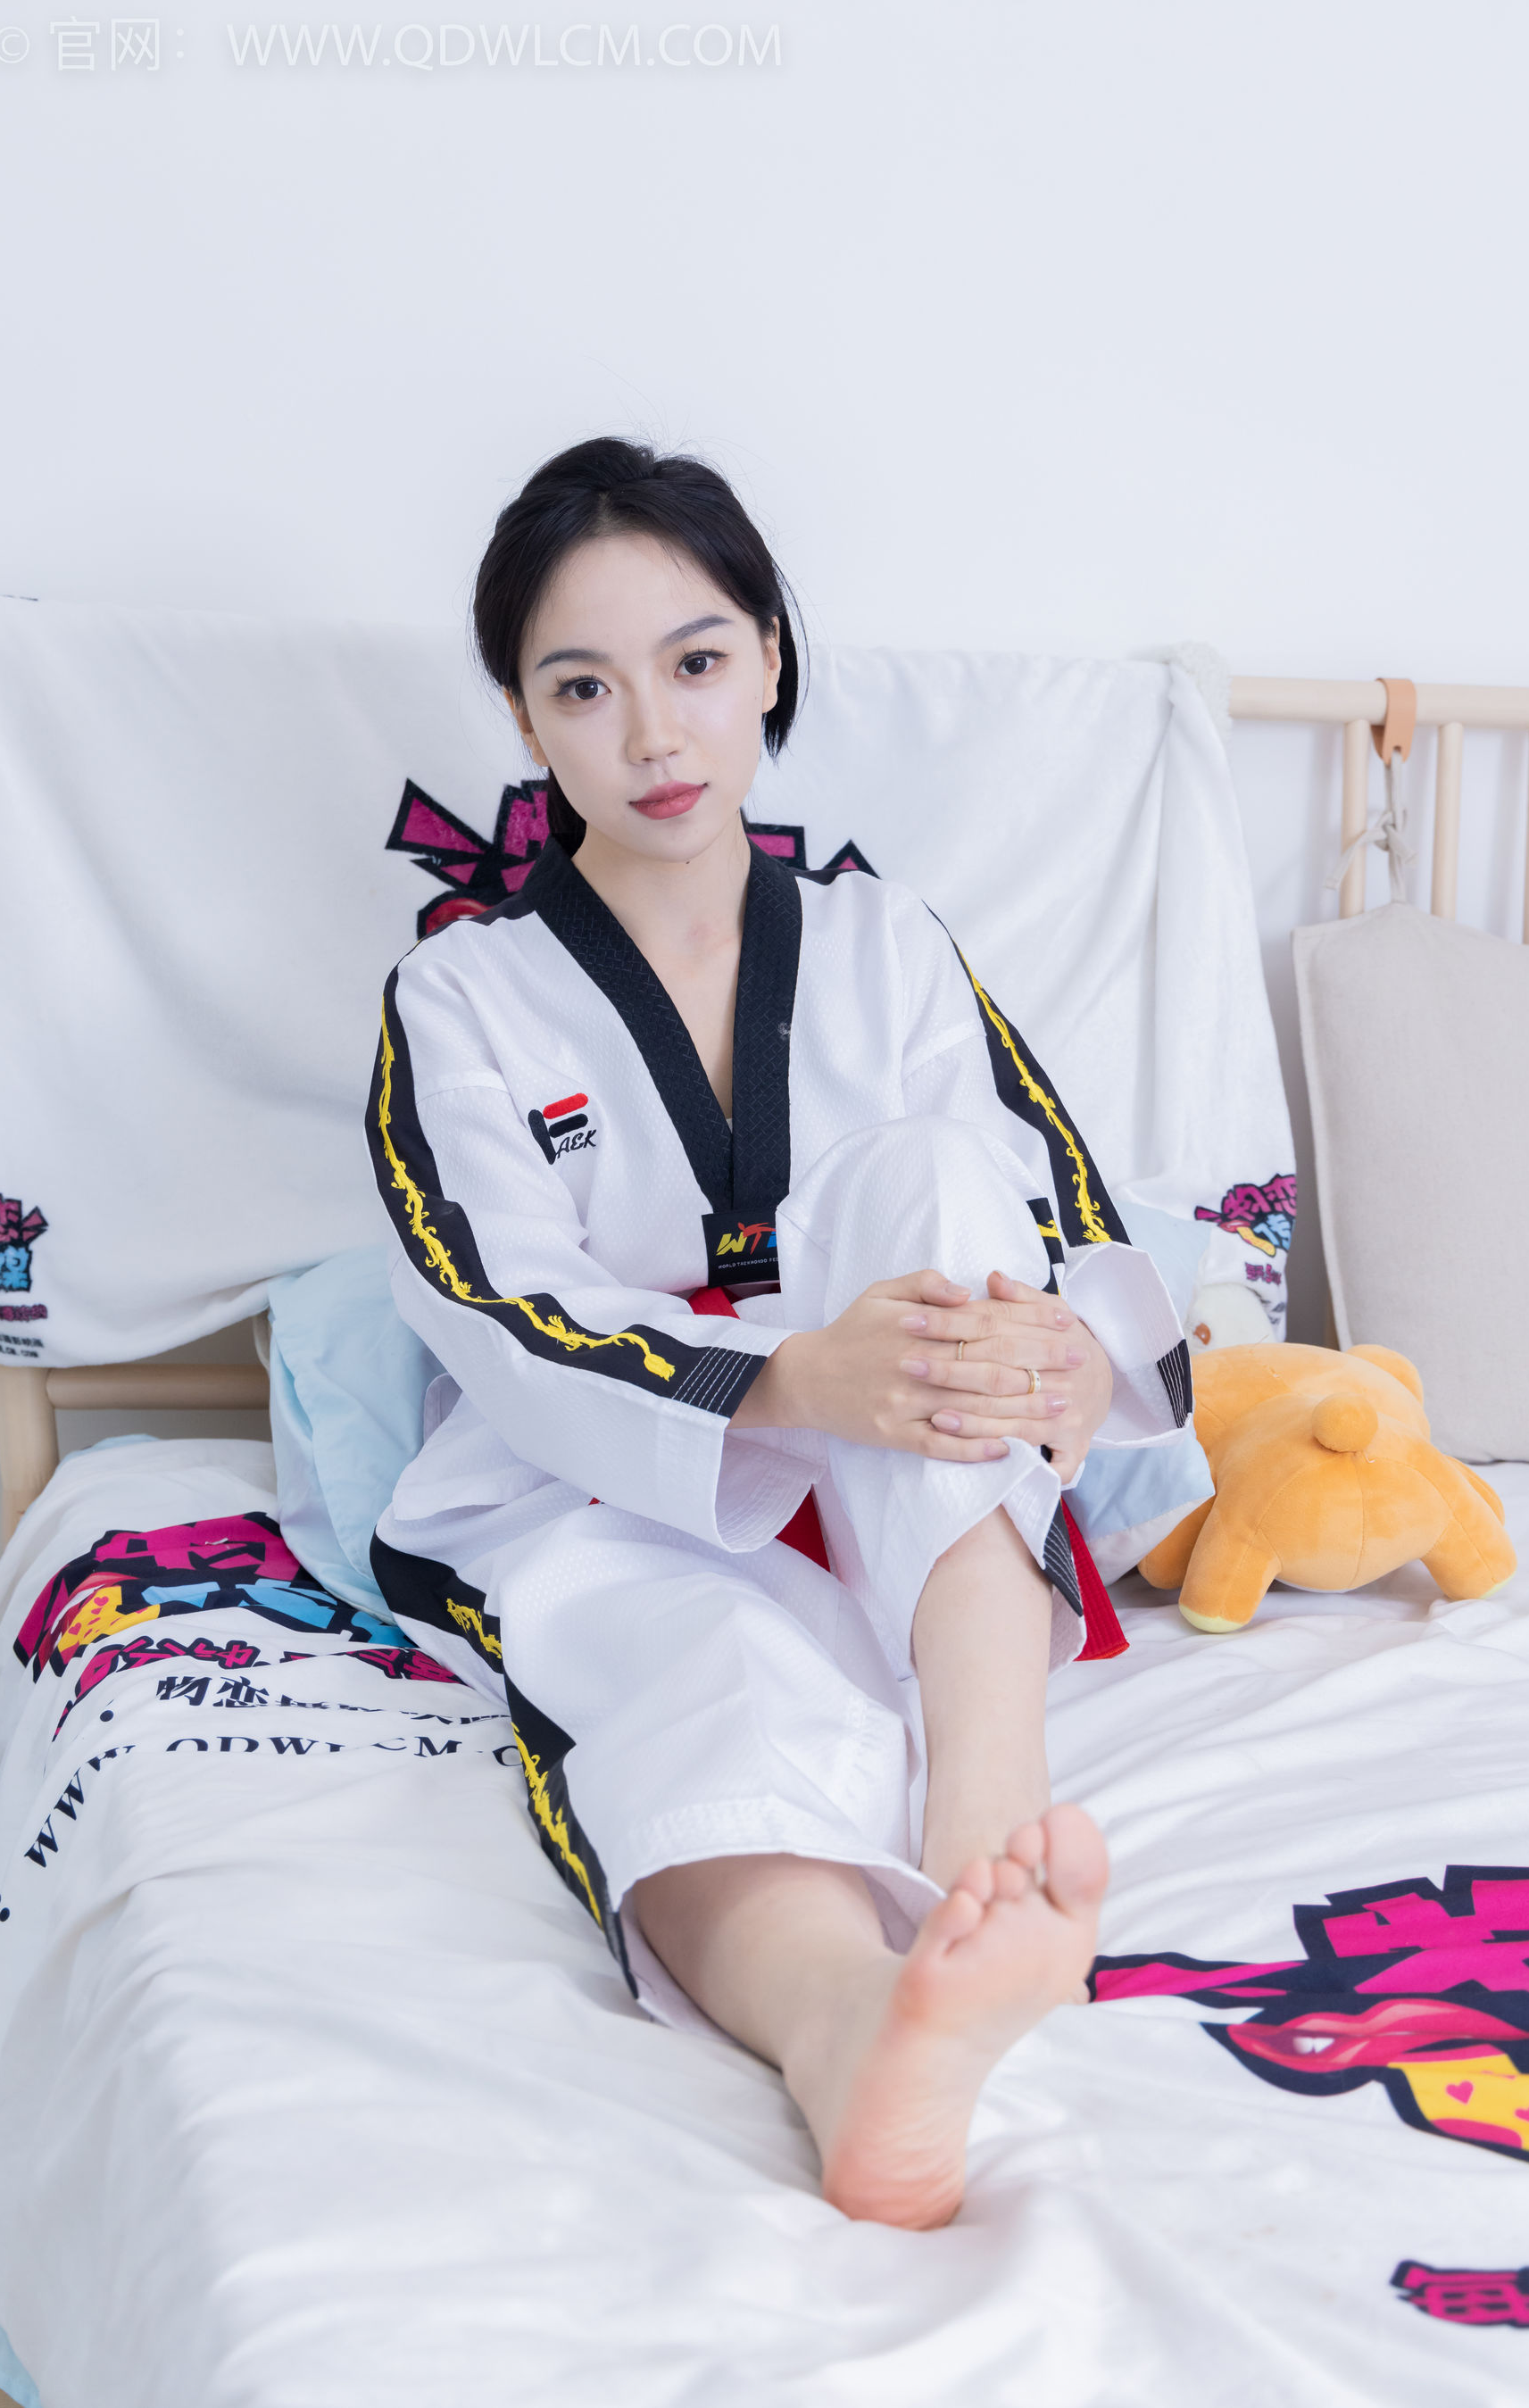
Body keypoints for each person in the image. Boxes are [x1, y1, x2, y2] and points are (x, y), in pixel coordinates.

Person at [366, 436, 1191, 2229]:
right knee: (709, 1684)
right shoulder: (463, 992)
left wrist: (1065, 1349)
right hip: (619, 1481)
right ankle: (856, 2033)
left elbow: (1049, 1198)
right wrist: (790, 1377)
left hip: (927, 1469)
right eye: (584, 687)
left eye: (695, 661)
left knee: (935, 1184)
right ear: (524, 715)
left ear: (769, 659)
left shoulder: (889, 939)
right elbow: (495, 1299)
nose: (653, 732)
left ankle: (989, 1808)